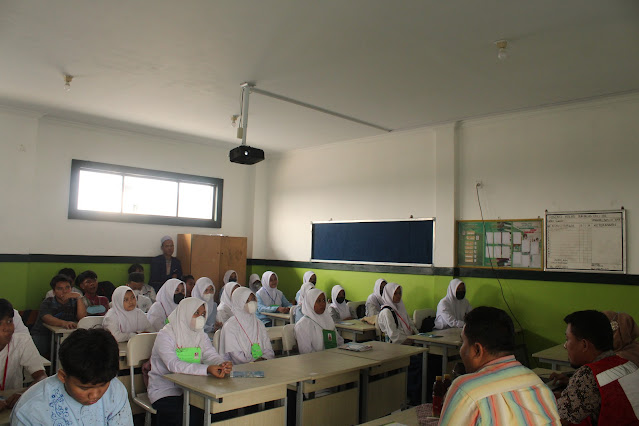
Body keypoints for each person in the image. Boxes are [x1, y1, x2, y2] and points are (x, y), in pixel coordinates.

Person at [438, 306, 560, 425]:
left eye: (462, 342)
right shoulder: (539, 385)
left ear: (477, 350)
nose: (461, 350)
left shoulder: (466, 389)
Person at [11, 328, 133, 425]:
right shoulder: (31, 410)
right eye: (84, 388)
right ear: (63, 376)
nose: (94, 395)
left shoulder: (116, 391)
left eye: (103, 385)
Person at [148, 297, 232, 426]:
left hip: (195, 387)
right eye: (196, 313)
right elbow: (173, 364)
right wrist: (206, 369)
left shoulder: (200, 334)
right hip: (166, 389)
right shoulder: (166, 335)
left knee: (217, 409)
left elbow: (209, 354)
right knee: (189, 415)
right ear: (185, 312)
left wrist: (221, 363)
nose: (200, 317)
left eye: (203, 314)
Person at [551, 310, 639, 425]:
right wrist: (570, 385)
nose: (565, 346)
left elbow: (558, 419)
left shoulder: (588, 375)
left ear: (584, 345)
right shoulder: (627, 364)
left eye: (568, 339)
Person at [0, 299, 46, 413]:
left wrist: (24, 394)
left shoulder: (21, 341)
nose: (6, 328)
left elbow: (42, 377)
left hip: (10, 407)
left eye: (9, 321)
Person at [30, 274, 88, 356]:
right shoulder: (48, 302)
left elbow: (82, 318)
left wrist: (79, 297)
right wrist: (64, 323)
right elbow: (47, 318)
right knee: (37, 352)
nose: (65, 291)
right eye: (60, 288)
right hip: (43, 333)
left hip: (65, 333)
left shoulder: (75, 302)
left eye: (67, 287)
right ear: (54, 291)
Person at [220, 287, 274, 364]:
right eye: (246, 301)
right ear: (239, 303)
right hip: (238, 368)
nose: (251, 303)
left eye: (253, 299)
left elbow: (268, 349)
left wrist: (264, 358)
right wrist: (254, 362)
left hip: (262, 364)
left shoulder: (259, 323)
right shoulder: (230, 326)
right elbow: (236, 357)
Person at [295, 288, 343, 354]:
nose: (322, 304)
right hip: (315, 359)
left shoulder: (328, 319)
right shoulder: (302, 325)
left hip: (334, 356)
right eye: (318, 301)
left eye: (324, 300)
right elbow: (306, 352)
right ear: (310, 302)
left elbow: (338, 341)